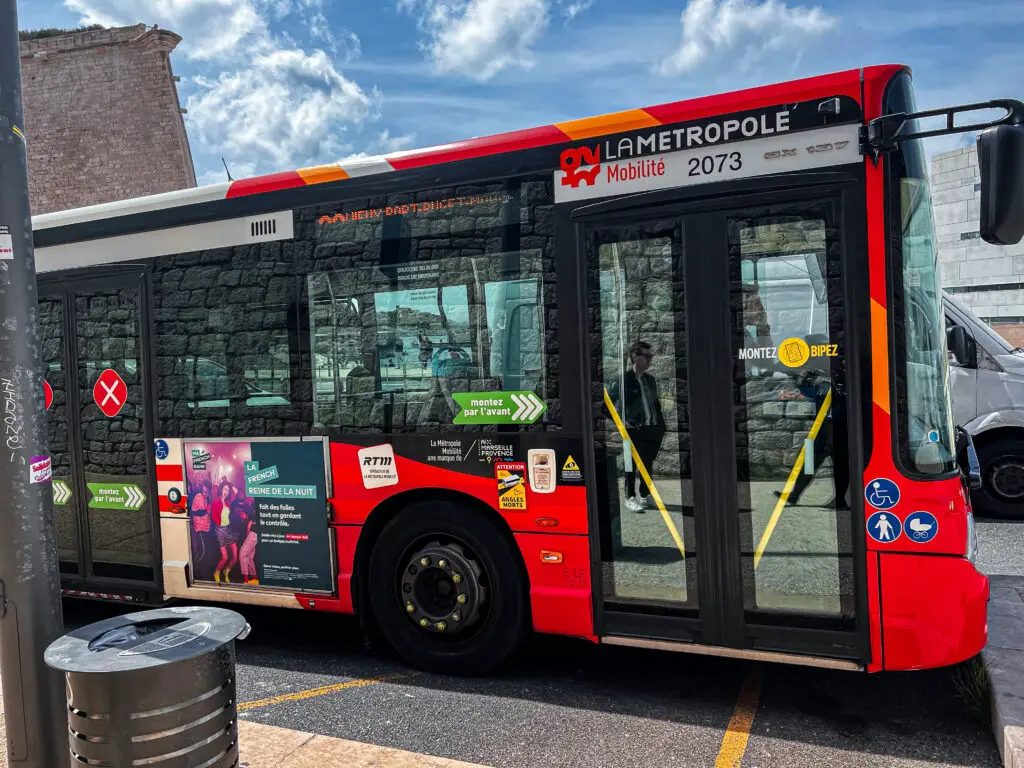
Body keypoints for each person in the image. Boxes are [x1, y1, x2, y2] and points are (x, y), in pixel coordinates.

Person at [607, 341, 666, 513]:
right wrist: (620, 421)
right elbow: (606, 403)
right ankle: (630, 497)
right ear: (635, 357)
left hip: (651, 429)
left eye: (651, 356)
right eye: (646, 356)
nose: (650, 360)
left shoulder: (650, 380)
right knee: (630, 465)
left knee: (647, 463)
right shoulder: (623, 380)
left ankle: (644, 495)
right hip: (631, 431)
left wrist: (660, 425)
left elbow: (654, 404)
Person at [212, 480, 239, 583]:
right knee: (225, 557)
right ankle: (217, 572)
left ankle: (226, 571)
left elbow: (235, 494)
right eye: (225, 489)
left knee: (235, 557)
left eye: (228, 490)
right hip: (220, 530)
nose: (227, 492)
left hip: (228, 529)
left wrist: (230, 484)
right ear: (221, 490)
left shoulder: (228, 502)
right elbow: (214, 490)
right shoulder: (216, 500)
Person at [237, 500, 259, 585]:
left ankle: (246, 580)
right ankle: (254, 578)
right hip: (255, 534)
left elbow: (250, 524)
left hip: (253, 534)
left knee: (242, 554)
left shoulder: (256, 508)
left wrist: (248, 535)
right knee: (249, 557)